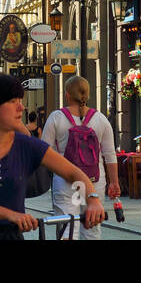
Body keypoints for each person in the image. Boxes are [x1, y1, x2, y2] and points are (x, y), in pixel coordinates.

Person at [0, 73, 106, 240]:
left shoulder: (26, 145)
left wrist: (92, 198)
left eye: (20, 101)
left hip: (10, 235)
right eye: (13, 101)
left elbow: (73, 173)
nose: (21, 107)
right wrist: (11, 215)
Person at [41, 76, 119, 240]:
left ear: (67, 95)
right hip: (95, 181)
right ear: (87, 95)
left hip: (64, 181)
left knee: (66, 229)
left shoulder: (56, 118)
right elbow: (109, 155)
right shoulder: (101, 119)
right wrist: (114, 182)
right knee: (92, 229)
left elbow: (44, 151)